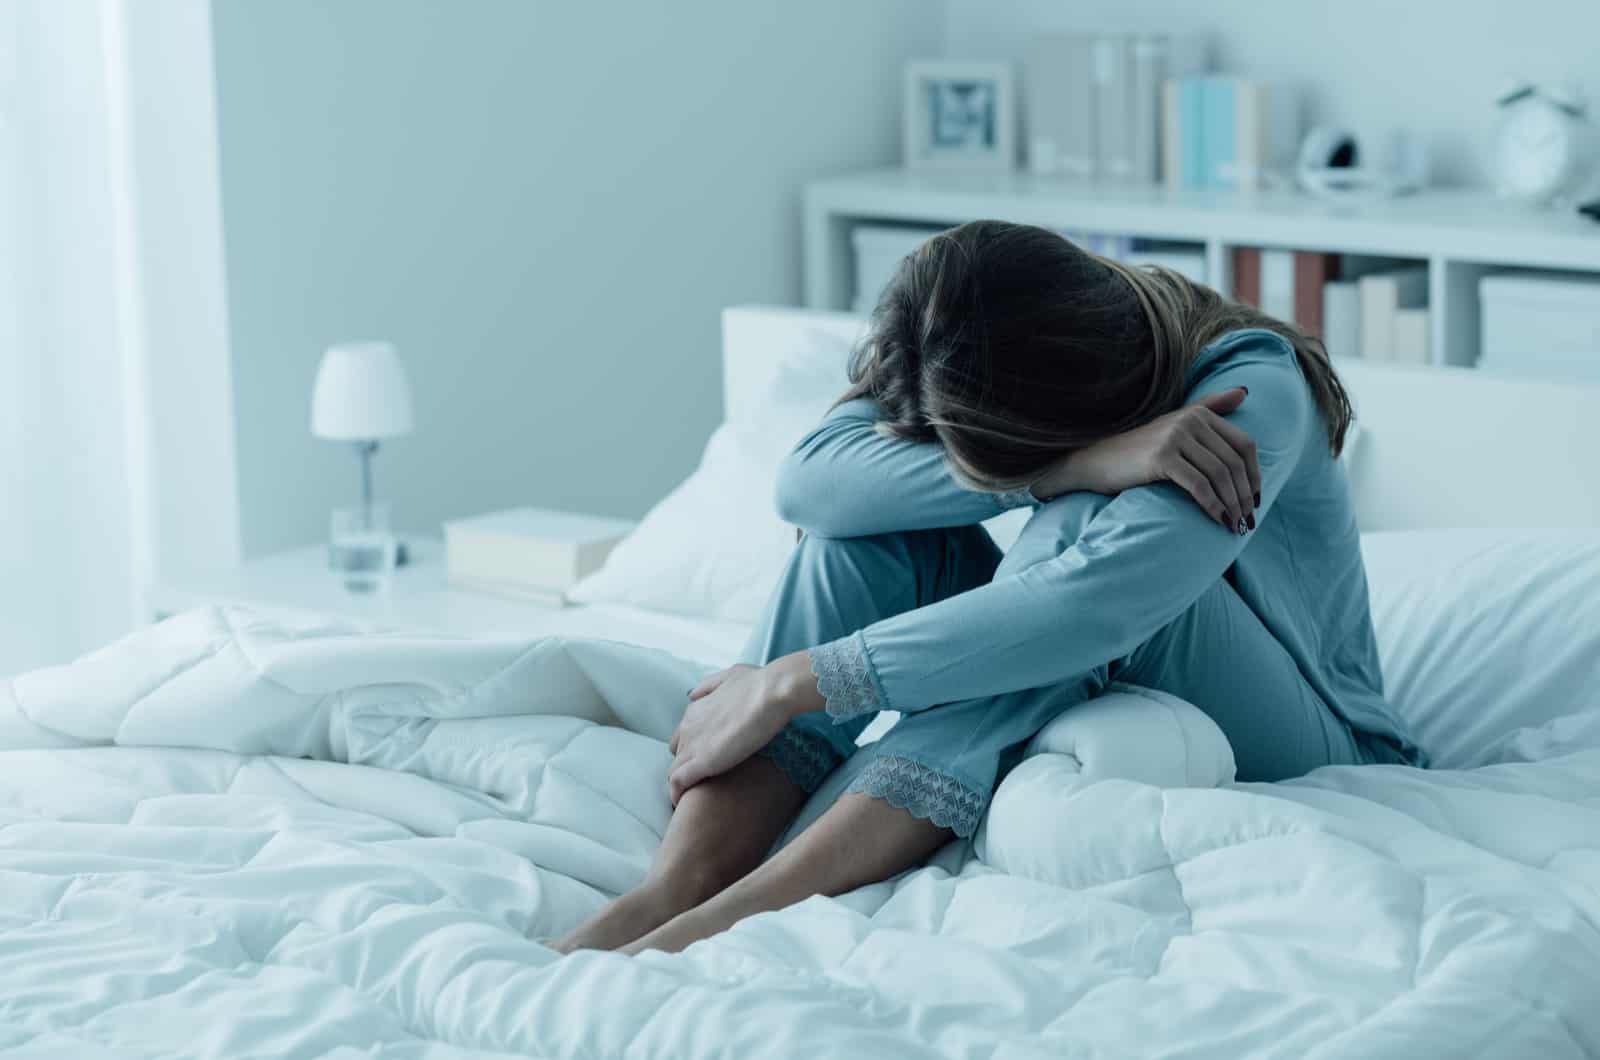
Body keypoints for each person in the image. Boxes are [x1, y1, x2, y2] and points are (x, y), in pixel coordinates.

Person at [552, 220, 1421, 956]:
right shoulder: (975, 327)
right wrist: (1066, 466)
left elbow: (1094, 604)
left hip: (1318, 739)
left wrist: (795, 680)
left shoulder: (1249, 388)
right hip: (1099, 575)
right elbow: (809, 484)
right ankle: (673, 888)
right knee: (860, 545)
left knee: (1071, 552)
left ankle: (730, 919)